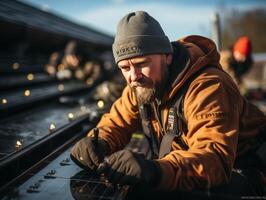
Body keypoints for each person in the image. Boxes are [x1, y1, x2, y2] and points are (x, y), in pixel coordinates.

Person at [70, 11, 266, 197]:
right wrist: (99, 142)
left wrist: (155, 171)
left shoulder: (208, 87)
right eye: (124, 67)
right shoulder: (140, 86)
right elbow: (117, 121)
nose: (133, 77)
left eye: (141, 63)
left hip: (243, 171)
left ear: (167, 56)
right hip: (191, 165)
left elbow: (214, 159)